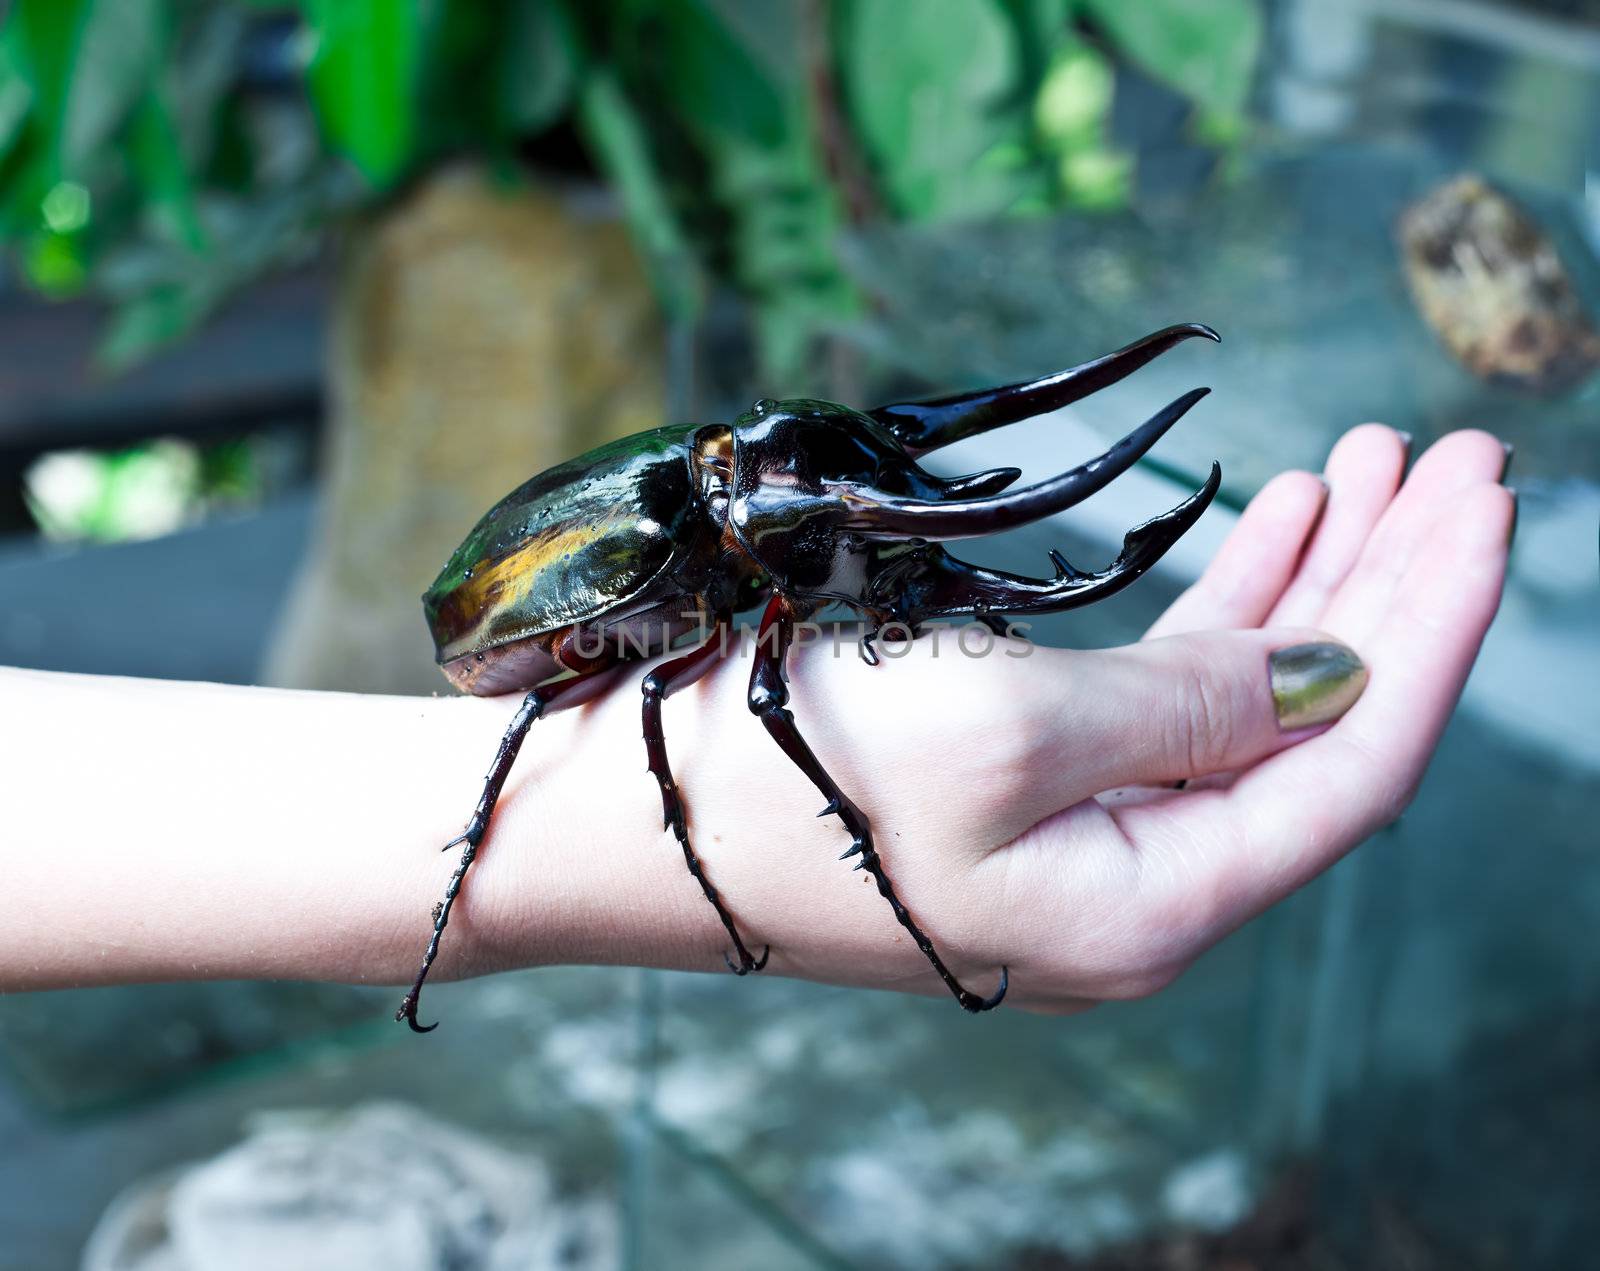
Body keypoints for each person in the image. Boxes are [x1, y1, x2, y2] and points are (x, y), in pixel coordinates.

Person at [0, 425, 1512, 1016]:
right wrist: (669, 846)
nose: (901, 557)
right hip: (511, 636)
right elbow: (681, 711)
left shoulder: (754, 514)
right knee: (646, 700)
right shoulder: (704, 569)